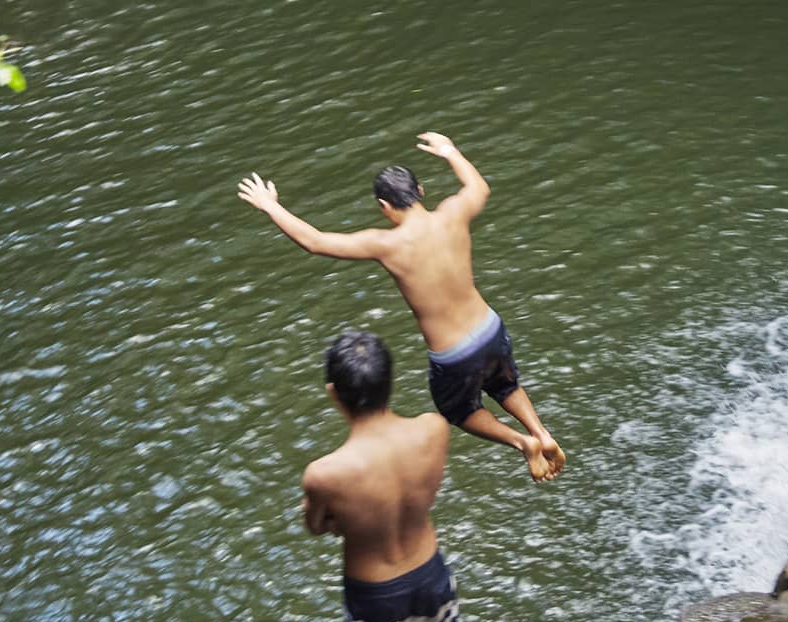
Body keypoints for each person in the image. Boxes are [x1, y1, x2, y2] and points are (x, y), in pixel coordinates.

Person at [238, 131, 565, 481]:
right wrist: (450, 151)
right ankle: (541, 432)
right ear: (420, 191)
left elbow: (315, 242)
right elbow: (479, 188)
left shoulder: (386, 244)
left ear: (384, 206)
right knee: (505, 385)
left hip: (454, 354)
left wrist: (271, 206)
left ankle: (523, 443)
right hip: (490, 327)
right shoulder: (453, 212)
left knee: (460, 409)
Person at [303, 329, 486, 622]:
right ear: (389, 382)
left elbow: (315, 525)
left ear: (334, 394)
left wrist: (341, 517)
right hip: (429, 572)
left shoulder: (326, 473)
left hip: (375, 596)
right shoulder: (433, 429)